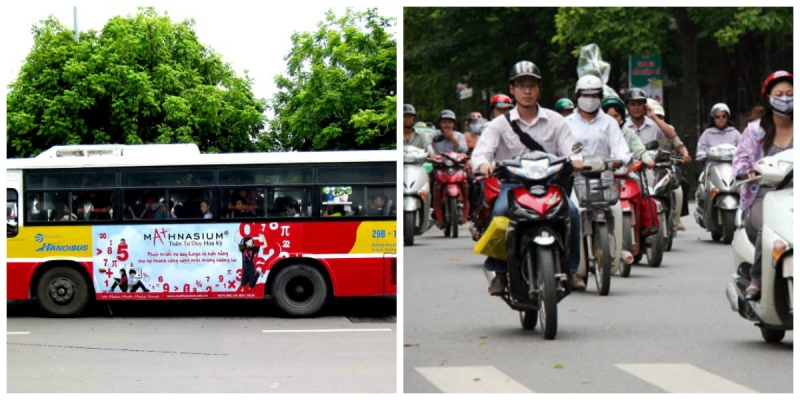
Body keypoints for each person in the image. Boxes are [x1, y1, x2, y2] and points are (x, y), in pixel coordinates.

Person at [471, 60, 584, 295]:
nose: (527, 91)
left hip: (550, 184)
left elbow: (572, 150)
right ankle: (499, 271)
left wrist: (577, 160)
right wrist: (483, 164)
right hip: (514, 185)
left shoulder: (556, 120)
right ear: (512, 89)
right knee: (499, 212)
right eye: (521, 85)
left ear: (539, 89)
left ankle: (572, 269)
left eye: (532, 85)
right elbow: (481, 153)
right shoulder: (498, 125)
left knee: (572, 213)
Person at [733, 70, 793, 301]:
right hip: (764, 195)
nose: (785, 98)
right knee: (768, 227)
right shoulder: (754, 130)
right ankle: (757, 279)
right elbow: (740, 160)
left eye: (790, 93)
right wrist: (747, 170)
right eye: (779, 94)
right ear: (769, 98)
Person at [566, 75, 633, 271]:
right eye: (585, 95)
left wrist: (624, 159)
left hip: (604, 181)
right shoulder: (566, 123)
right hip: (576, 182)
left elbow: (620, 148)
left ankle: (617, 249)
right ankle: (571, 262)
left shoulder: (609, 123)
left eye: (594, 95)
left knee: (617, 210)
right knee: (571, 213)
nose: (590, 99)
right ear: (577, 96)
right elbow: (561, 149)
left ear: (600, 97)